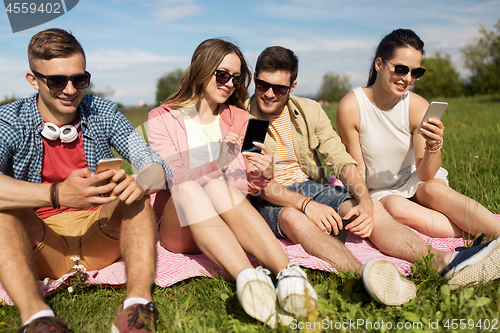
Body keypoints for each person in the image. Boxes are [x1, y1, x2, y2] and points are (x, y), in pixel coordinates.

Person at [245, 45, 500, 305]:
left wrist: (365, 201)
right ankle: (367, 276)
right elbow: (257, 186)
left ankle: (442, 261)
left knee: (370, 207)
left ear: (293, 86)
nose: (268, 94)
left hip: (311, 186)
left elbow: (341, 160)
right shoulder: (244, 117)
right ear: (255, 79)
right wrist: (307, 205)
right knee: (292, 218)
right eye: (263, 85)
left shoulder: (309, 110)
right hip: (272, 196)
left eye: (279, 89)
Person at [0, 28, 172, 333]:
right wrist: (56, 194)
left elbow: (155, 164)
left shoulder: (102, 112)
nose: (70, 90)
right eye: (56, 81)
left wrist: (143, 180)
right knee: (4, 210)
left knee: (134, 191)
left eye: (79, 79)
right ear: (33, 80)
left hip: (99, 237)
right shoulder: (12, 120)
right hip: (40, 246)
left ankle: (138, 307)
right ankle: (37, 318)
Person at [147, 38, 317, 328]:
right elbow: (172, 178)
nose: (229, 84)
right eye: (222, 75)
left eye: (236, 79)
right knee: (192, 187)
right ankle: (250, 279)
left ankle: (283, 275)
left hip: (227, 222)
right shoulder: (162, 117)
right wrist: (219, 161)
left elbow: (246, 187)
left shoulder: (240, 118)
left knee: (217, 186)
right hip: (180, 225)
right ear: (202, 69)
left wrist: (263, 173)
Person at [336, 28, 500, 240]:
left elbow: (426, 175)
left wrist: (434, 145)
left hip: (416, 179)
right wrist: (366, 202)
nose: (407, 78)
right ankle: (478, 235)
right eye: (401, 69)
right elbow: (358, 169)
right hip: (379, 190)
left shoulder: (417, 106)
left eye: (415, 72)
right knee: (396, 207)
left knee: (435, 191)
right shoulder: (351, 107)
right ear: (379, 65)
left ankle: (494, 233)